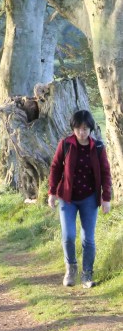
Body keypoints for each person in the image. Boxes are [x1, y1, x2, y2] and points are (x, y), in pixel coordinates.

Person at [48, 109, 112, 289]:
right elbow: (55, 168)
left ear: (91, 129)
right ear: (73, 128)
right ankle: (71, 269)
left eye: (85, 128)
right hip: (67, 198)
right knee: (68, 236)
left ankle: (87, 274)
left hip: (89, 199)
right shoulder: (66, 144)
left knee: (88, 238)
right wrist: (52, 193)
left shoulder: (98, 147)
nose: (81, 132)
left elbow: (106, 173)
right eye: (78, 128)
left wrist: (106, 198)